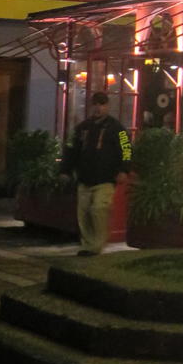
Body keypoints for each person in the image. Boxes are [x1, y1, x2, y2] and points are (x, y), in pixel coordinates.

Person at [60, 91, 131, 256]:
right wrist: (65, 170)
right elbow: (71, 150)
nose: (98, 108)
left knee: (99, 209)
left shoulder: (118, 129)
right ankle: (88, 245)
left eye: (102, 104)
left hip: (105, 179)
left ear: (108, 106)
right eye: (96, 104)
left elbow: (127, 150)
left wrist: (124, 170)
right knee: (84, 213)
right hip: (85, 179)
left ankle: (96, 246)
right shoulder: (82, 128)